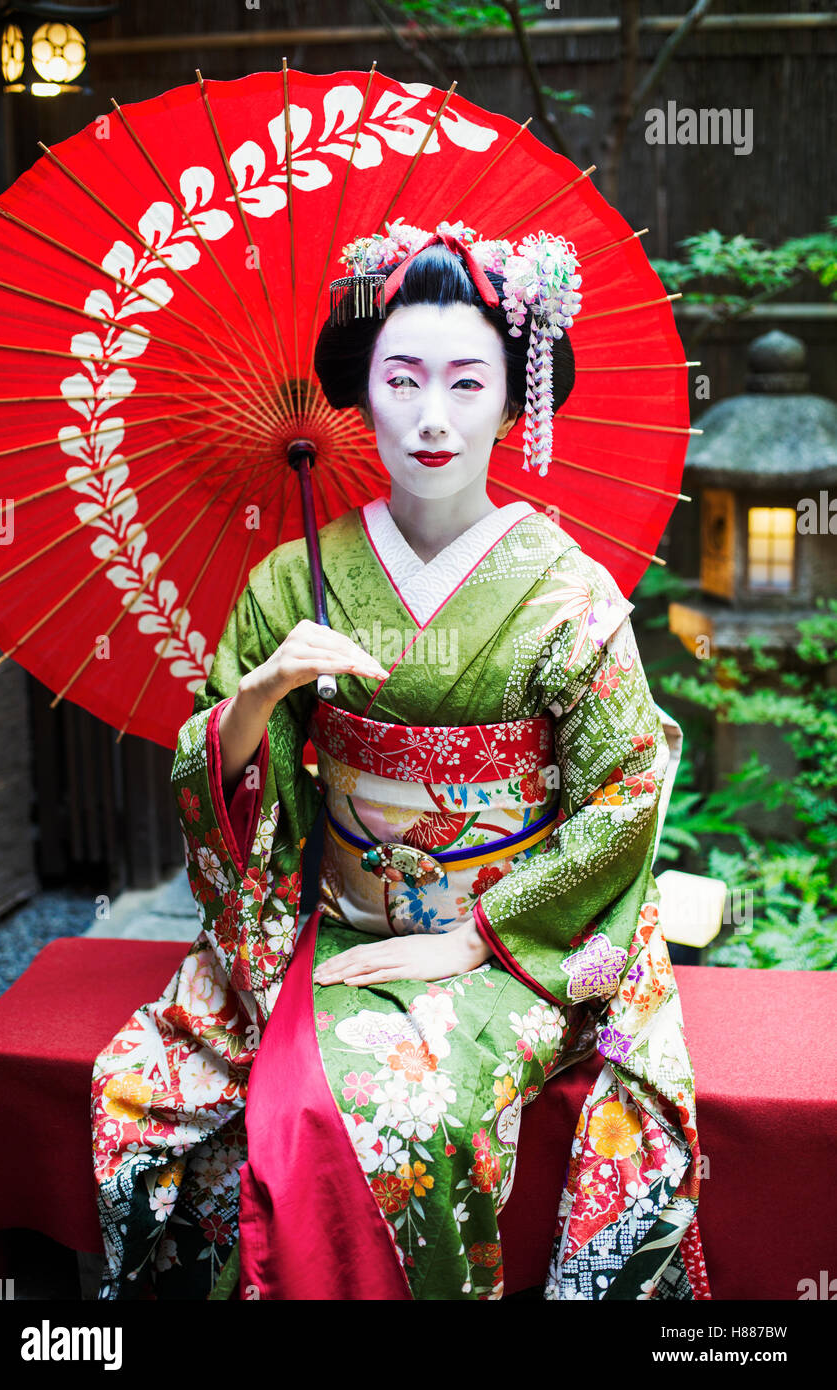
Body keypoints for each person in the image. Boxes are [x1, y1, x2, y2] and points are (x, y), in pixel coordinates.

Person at [91, 225, 710, 1301]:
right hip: (325, 918)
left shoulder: (564, 589)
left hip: (513, 934)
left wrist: (472, 939)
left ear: (516, 402)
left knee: (396, 1114)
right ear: (358, 395)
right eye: (401, 378)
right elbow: (222, 778)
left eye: (467, 381)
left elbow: (621, 792)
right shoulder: (296, 578)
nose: (432, 416)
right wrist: (258, 696)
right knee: (136, 1099)